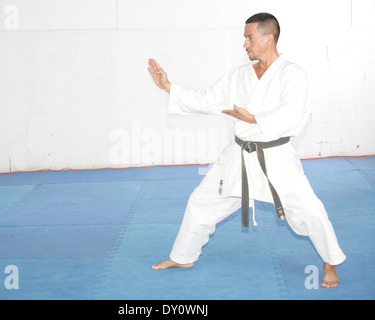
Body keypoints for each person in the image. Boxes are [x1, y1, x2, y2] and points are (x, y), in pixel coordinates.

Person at [147, 13, 346, 288]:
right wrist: (168, 86)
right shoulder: (238, 75)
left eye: (249, 37)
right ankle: (183, 256)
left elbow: (294, 113)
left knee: (310, 210)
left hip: (275, 157)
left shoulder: (292, 74)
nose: (244, 44)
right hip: (238, 156)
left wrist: (255, 119)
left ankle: (330, 261)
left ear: (269, 38)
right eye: (244, 37)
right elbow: (206, 98)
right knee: (201, 203)